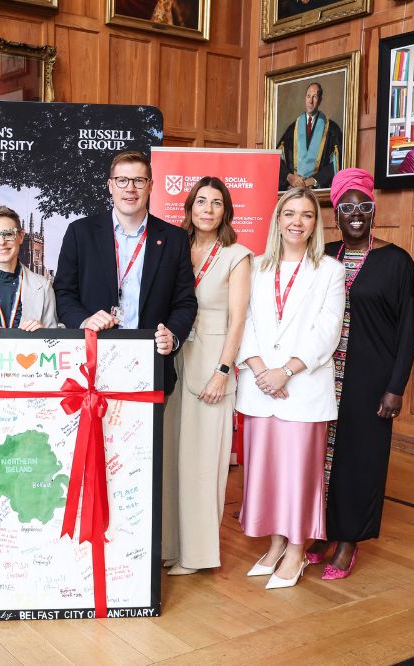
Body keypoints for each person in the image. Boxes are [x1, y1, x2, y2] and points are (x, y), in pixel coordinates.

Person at [305, 168, 414, 579]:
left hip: (369, 380)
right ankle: (323, 531)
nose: (356, 214)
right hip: (321, 376)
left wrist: (395, 387)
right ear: (335, 214)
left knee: (360, 460)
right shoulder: (323, 256)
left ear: (373, 211)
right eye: (347, 208)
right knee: (321, 457)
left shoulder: (397, 262)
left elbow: (408, 330)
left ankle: (349, 541)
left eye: (364, 206)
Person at [235, 187, 345, 590]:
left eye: (307, 215)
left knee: (299, 475)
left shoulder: (330, 270)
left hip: (302, 388)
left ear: (315, 224)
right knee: (266, 473)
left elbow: (327, 331)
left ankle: (297, 550)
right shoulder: (255, 265)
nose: (297, 222)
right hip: (260, 387)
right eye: (290, 213)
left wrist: (286, 371)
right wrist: (261, 370)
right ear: (277, 220)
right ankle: (276, 543)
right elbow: (243, 321)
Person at [161, 177, 251, 576]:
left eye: (216, 203)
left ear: (226, 211)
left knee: (202, 465)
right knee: (170, 460)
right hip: (173, 361)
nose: (208, 210)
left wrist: (223, 371)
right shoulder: (174, 247)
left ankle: (197, 556)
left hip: (212, 366)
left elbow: (238, 321)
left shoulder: (237, 256)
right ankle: (168, 546)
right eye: (201, 201)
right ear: (190, 207)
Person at [54, 149, 198, 392]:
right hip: (92, 364)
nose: (130, 188)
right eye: (122, 180)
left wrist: (172, 335)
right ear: (110, 186)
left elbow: (185, 302)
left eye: (138, 181)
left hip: (151, 366)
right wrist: (84, 320)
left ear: (150, 186)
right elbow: (64, 293)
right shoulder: (80, 233)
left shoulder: (175, 239)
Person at [277, 82, 343, 190]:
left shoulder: (332, 129)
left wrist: (313, 180)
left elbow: (337, 163)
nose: (310, 101)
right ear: (305, 98)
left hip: (318, 191)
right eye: (308, 96)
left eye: (314, 97)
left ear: (320, 100)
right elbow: (277, 159)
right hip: (294, 190)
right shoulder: (293, 129)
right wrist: (290, 177)